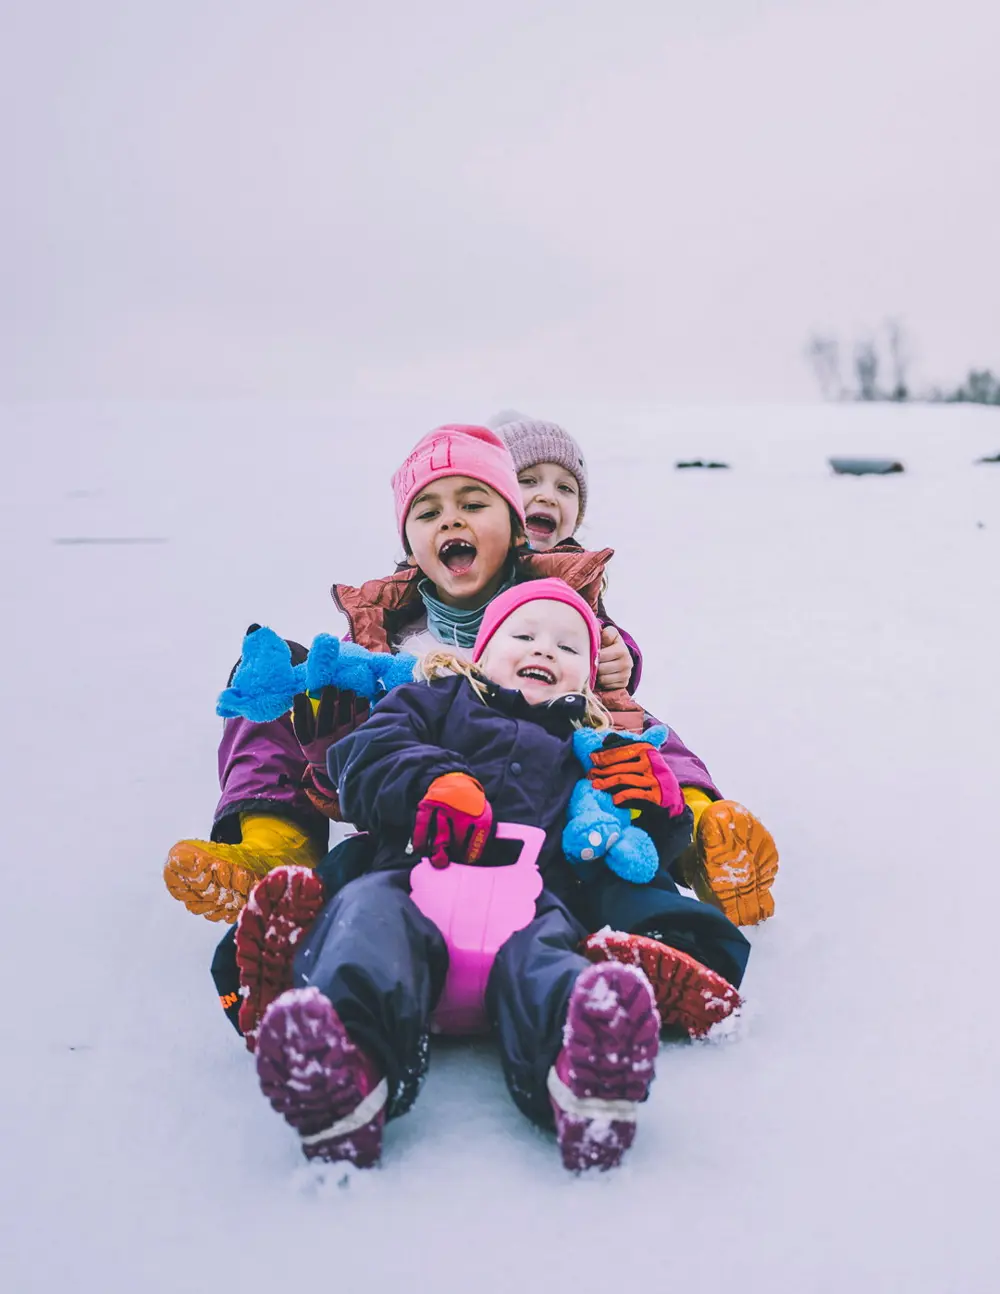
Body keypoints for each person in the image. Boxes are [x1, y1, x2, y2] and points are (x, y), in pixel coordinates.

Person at [253, 579, 744, 1172]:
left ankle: (583, 1074)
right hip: (410, 881)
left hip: (532, 901)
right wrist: (430, 780)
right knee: (365, 928)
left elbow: (626, 848)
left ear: (587, 681)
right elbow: (365, 759)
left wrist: (657, 807)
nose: (544, 651)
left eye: (568, 649)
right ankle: (346, 1071)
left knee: (554, 963)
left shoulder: (588, 746)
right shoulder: (430, 703)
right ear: (480, 654)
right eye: (524, 635)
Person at [164, 424, 709, 927]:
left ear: (516, 527)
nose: (450, 520)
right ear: (410, 546)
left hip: (541, 792)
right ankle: (273, 843)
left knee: (642, 730)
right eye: (427, 514)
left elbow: (604, 665)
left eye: (474, 503)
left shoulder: (551, 604)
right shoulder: (380, 635)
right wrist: (329, 748)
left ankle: (705, 832)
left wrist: (617, 655)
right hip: (417, 809)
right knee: (278, 679)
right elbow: (366, 772)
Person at [494, 414, 779, 928]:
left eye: (565, 487)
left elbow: (602, 634)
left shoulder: (574, 570)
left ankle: (704, 834)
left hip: (583, 702)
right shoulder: (474, 562)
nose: (548, 495)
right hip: (513, 719)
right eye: (528, 480)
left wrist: (619, 655)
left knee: (655, 741)